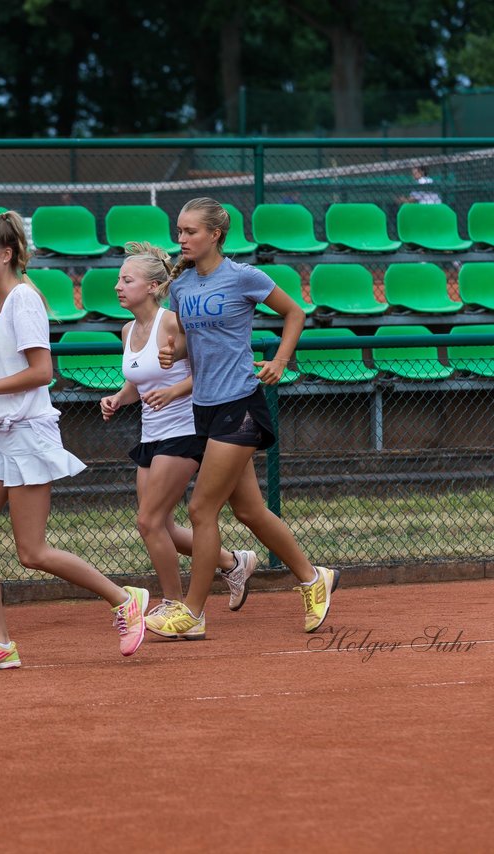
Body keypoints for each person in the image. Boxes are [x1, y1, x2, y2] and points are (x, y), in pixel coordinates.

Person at [0, 211, 149, 671]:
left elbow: (42, 373)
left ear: (7, 253)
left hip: (29, 434)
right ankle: (0, 643)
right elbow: (4, 373)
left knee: (32, 552)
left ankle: (124, 599)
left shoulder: (23, 300)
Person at [154, 197, 338, 638]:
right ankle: (314, 579)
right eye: (179, 231)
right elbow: (187, 341)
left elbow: (295, 312)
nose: (181, 239)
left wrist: (280, 359)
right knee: (251, 512)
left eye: (191, 231)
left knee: (201, 508)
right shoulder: (181, 287)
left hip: (240, 404)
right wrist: (171, 351)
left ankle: (193, 613)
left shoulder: (243, 277)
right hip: (205, 407)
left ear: (215, 234)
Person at [99, 242, 257, 635]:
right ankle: (231, 563)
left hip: (186, 431)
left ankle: (177, 605)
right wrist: (119, 398)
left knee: (148, 520)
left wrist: (174, 392)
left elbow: (204, 369)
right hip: (151, 435)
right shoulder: (127, 329)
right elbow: (138, 381)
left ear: (154, 287)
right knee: (162, 526)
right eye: (119, 279)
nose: (118, 286)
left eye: (127, 280)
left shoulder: (172, 321)